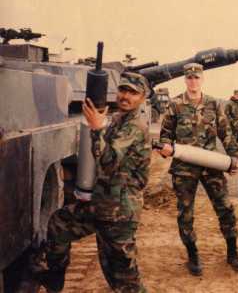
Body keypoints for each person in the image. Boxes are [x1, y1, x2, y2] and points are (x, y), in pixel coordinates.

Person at [35, 72, 151, 293]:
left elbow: (109, 161)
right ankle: (55, 278)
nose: (125, 96)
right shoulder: (118, 120)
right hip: (100, 204)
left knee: (124, 281)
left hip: (120, 213)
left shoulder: (136, 126)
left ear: (143, 97)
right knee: (59, 224)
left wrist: (97, 128)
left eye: (133, 93)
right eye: (123, 90)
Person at [158, 63, 238, 276]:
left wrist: (234, 158)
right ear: (185, 80)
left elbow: (226, 133)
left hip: (211, 165)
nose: (193, 81)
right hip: (184, 168)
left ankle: (232, 253)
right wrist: (165, 148)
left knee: (225, 207)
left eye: (196, 78)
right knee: (185, 213)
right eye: (189, 78)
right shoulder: (175, 104)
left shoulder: (214, 104)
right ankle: (193, 255)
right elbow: (165, 134)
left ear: (202, 79)